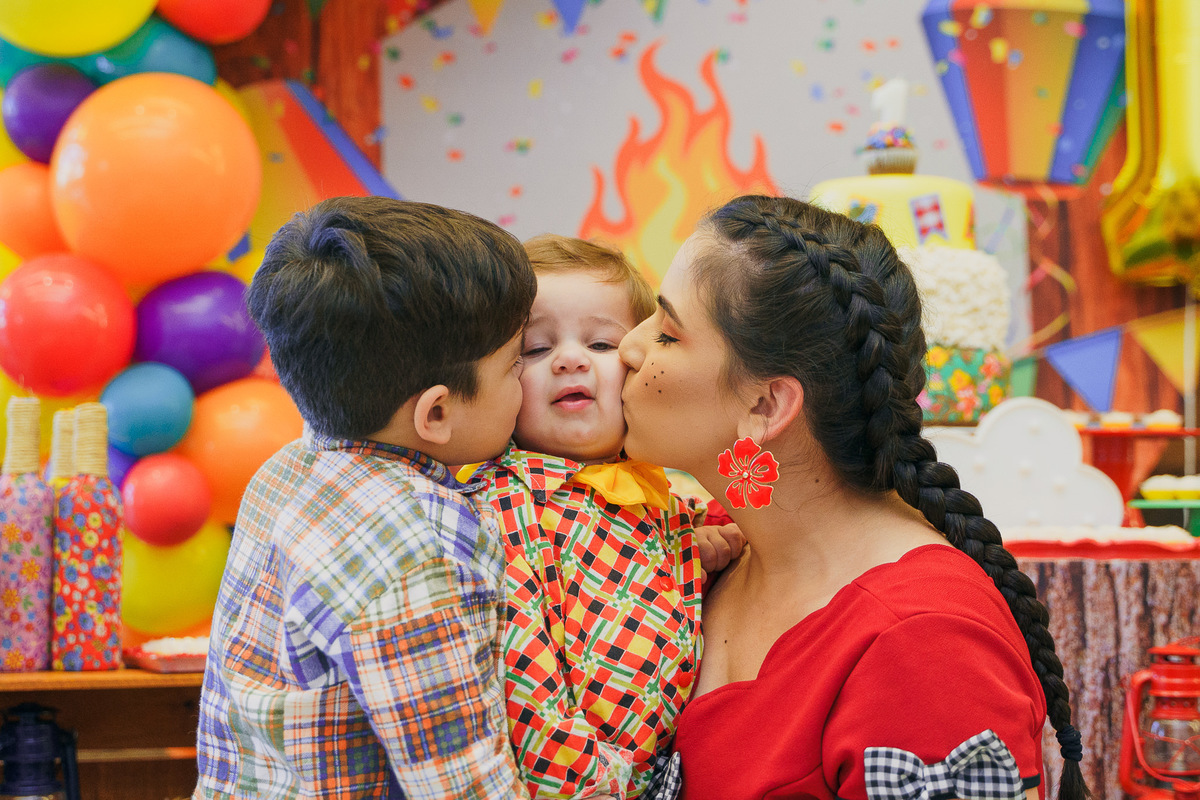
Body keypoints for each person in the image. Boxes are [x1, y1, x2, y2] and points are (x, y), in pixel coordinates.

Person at [618, 195, 1089, 800]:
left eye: (666, 331)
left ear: (766, 405)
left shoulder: (926, 645)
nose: (628, 348)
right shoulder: (707, 547)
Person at [194, 196, 536, 799]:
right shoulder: (407, 551)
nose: (529, 382)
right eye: (516, 365)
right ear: (436, 411)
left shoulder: (286, 469)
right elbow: (461, 785)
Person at [467, 235, 741, 800]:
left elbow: (663, 585)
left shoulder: (661, 489)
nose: (569, 359)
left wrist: (698, 548)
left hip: (664, 775)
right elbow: (524, 680)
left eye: (599, 343)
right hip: (579, 782)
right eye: (537, 350)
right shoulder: (505, 505)